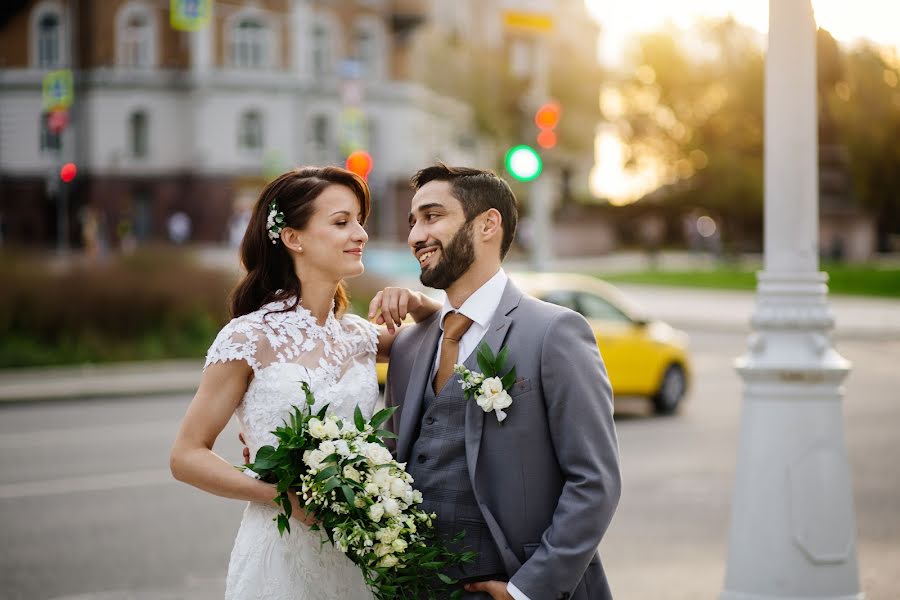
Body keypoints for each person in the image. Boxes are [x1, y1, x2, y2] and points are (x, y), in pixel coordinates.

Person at [169, 166, 440, 600]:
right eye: (341, 222)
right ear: (293, 238)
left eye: (359, 221)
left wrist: (419, 302)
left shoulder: (361, 337)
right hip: (278, 557)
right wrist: (281, 497)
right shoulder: (247, 338)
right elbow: (185, 456)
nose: (360, 234)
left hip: (357, 555)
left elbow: (447, 341)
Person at [384, 164, 621, 600]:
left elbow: (595, 481)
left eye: (432, 216)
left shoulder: (555, 332)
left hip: (515, 583)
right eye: (413, 220)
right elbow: (390, 461)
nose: (416, 235)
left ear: (487, 224)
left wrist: (527, 590)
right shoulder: (409, 345)